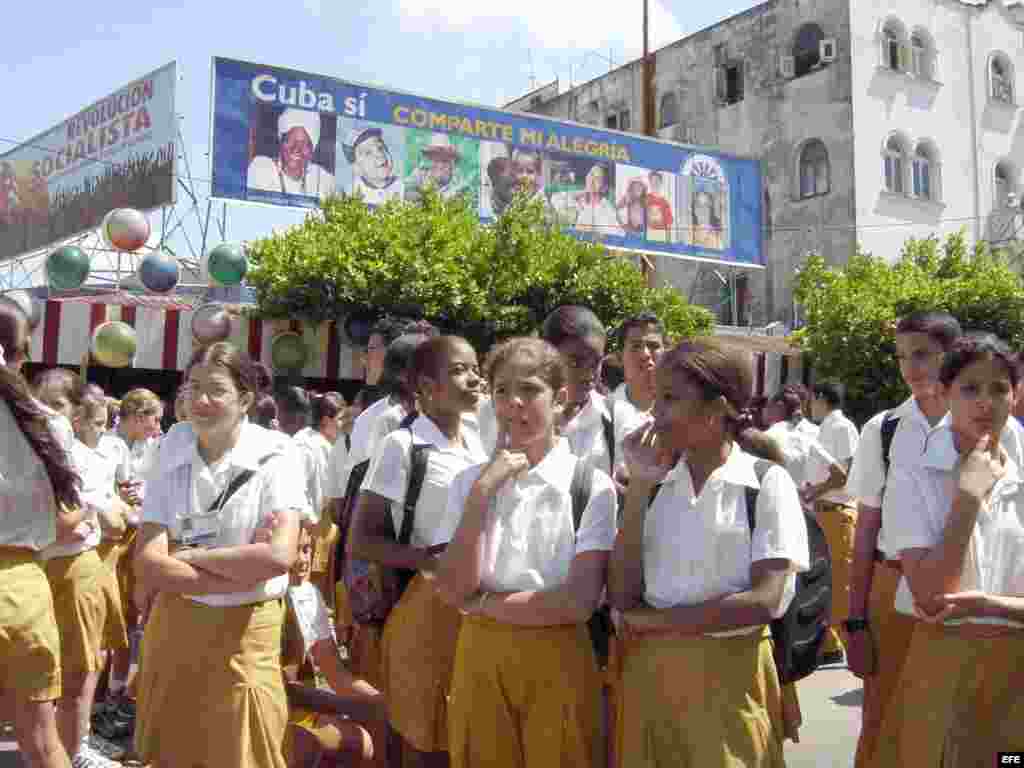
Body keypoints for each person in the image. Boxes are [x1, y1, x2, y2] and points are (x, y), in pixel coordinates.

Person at [609, 338, 810, 767]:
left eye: (670, 399)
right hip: (652, 680)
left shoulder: (766, 482)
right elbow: (624, 596)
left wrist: (659, 622)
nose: (655, 414)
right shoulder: (652, 485)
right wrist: (640, 484)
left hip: (730, 684)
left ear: (717, 409)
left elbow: (766, 600)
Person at [436, 337, 617, 768]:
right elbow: (451, 588)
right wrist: (482, 494)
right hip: (479, 658)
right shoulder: (469, 483)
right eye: (501, 390)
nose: (513, 402)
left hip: (558, 660)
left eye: (531, 389)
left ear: (560, 400)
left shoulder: (590, 487)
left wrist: (481, 603)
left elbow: (576, 602)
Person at [133, 341, 307, 768]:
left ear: (245, 398)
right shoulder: (172, 445)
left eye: (215, 390)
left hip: (246, 630)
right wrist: (238, 563)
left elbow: (279, 555)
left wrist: (187, 556)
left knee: (245, 751)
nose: (200, 401)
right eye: (192, 388)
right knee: (175, 751)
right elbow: (148, 560)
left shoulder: (277, 453)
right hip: (176, 624)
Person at [873, 333, 1024, 765]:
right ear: (944, 393)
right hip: (945, 666)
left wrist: (987, 604)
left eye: (999, 389)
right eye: (970, 389)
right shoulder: (913, 477)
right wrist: (969, 497)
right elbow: (933, 595)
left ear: (1014, 397)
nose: (986, 403)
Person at [349, 335, 487, 767]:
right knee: (422, 736)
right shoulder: (403, 446)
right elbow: (362, 539)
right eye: (460, 370)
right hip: (422, 608)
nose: (475, 377)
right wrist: (428, 560)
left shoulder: (480, 444)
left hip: (477, 610)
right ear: (426, 387)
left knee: (464, 732)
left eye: (475, 367)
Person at [844, 310, 962, 768]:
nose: (911, 368)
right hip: (891, 588)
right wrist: (854, 621)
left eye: (923, 355)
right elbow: (865, 529)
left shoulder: (984, 424)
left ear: (952, 356)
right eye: (902, 357)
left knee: (961, 722)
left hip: (962, 591)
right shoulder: (884, 429)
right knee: (885, 719)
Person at [0, 306, 84, 768]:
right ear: (23, 353)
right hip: (26, 589)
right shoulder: (51, 423)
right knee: (42, 742)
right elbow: (70, 520)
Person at [33, 370, 128, 768]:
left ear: (73, 414)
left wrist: (83, 517)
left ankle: (75, 752)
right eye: (37, 400)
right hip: (31, 572)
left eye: (55, 404)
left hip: (75, 572)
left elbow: (107, 520)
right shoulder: (22, 451)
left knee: (79, 672)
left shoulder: (85, 458)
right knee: (34, 675)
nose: (43, 411)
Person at [282, 527, 386, 768]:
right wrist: (347, 706)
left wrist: (379, 702)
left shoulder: (309, 595)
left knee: (364, 741)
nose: (303, 560)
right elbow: (283, 688)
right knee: (315, 748)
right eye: (294, 551)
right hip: (274, 711)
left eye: (307, 549)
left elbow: (335, 673)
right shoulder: (257, 602)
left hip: (301, 710)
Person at [799, 381, 860, 666]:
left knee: (838, 581)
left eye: (812, 399)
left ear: (821, 397)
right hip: (824, 510)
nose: (809, 406)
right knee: (826, 580)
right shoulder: (826, 427)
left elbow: (844, 475)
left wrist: (816, 491)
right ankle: (829, 643)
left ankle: (844, 644)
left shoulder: (841, 427)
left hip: (837, 509)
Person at [248, 108, 335, 199]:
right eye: (290, 140)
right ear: (281, 142)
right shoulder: (261, 168)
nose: (296, 149)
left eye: (304, 144)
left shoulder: (321, 179)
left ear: (312, 150)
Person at [610, 312, 666, 419]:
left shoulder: (685, 408)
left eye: (653, 346)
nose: (645, 354)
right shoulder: (605, 413)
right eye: (636, 346)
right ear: (620, 357)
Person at [343, 126, 401, 206]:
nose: (379, 154)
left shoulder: (401, 186)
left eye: (380, 148)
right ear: (357, 168)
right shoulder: (352, 192)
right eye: (368, 153)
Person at [405, 134, 472, 203]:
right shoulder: (420, 172)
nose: (440, 165)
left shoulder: (460, 182)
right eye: (436, 160)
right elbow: (406, 190)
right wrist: (420, 196)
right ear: (430, 158)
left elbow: (464, 199)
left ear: (452, 162)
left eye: (444, 161)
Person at [573, 165, 624, 238]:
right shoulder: (579, 200)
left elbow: (617, 235)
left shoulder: (608, 212)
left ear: (604, 188)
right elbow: (554, 199)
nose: (591, 179)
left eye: (597, 178)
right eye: (591, 174)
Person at [645, 171, 673, 243]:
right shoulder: (645, 198)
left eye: (657, 181)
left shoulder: (665, 202)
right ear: (650, 183)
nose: (654, 183)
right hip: (647, 233)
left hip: (660, 235)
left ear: (660, 183)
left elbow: (668, 224)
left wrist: (668, 242)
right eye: (652, 181)